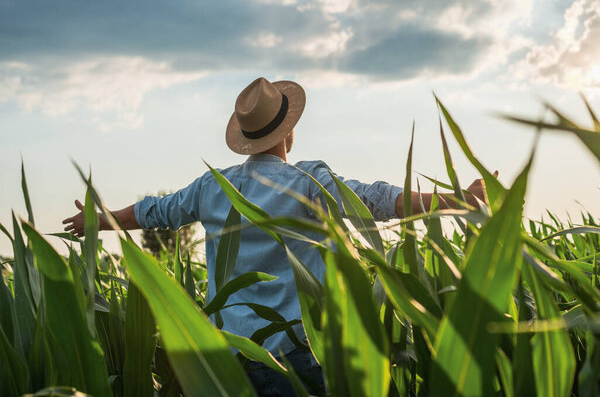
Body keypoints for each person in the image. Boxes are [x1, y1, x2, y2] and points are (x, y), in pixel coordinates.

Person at [63, 77, 487, 396]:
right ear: (288, 133)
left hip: (228, 366)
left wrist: (99, 220)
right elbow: (379, 200)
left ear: (246, 139)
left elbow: (156, 211)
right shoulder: (307, 184)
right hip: (301, 358)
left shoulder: (212, 188)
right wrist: (458, 200)